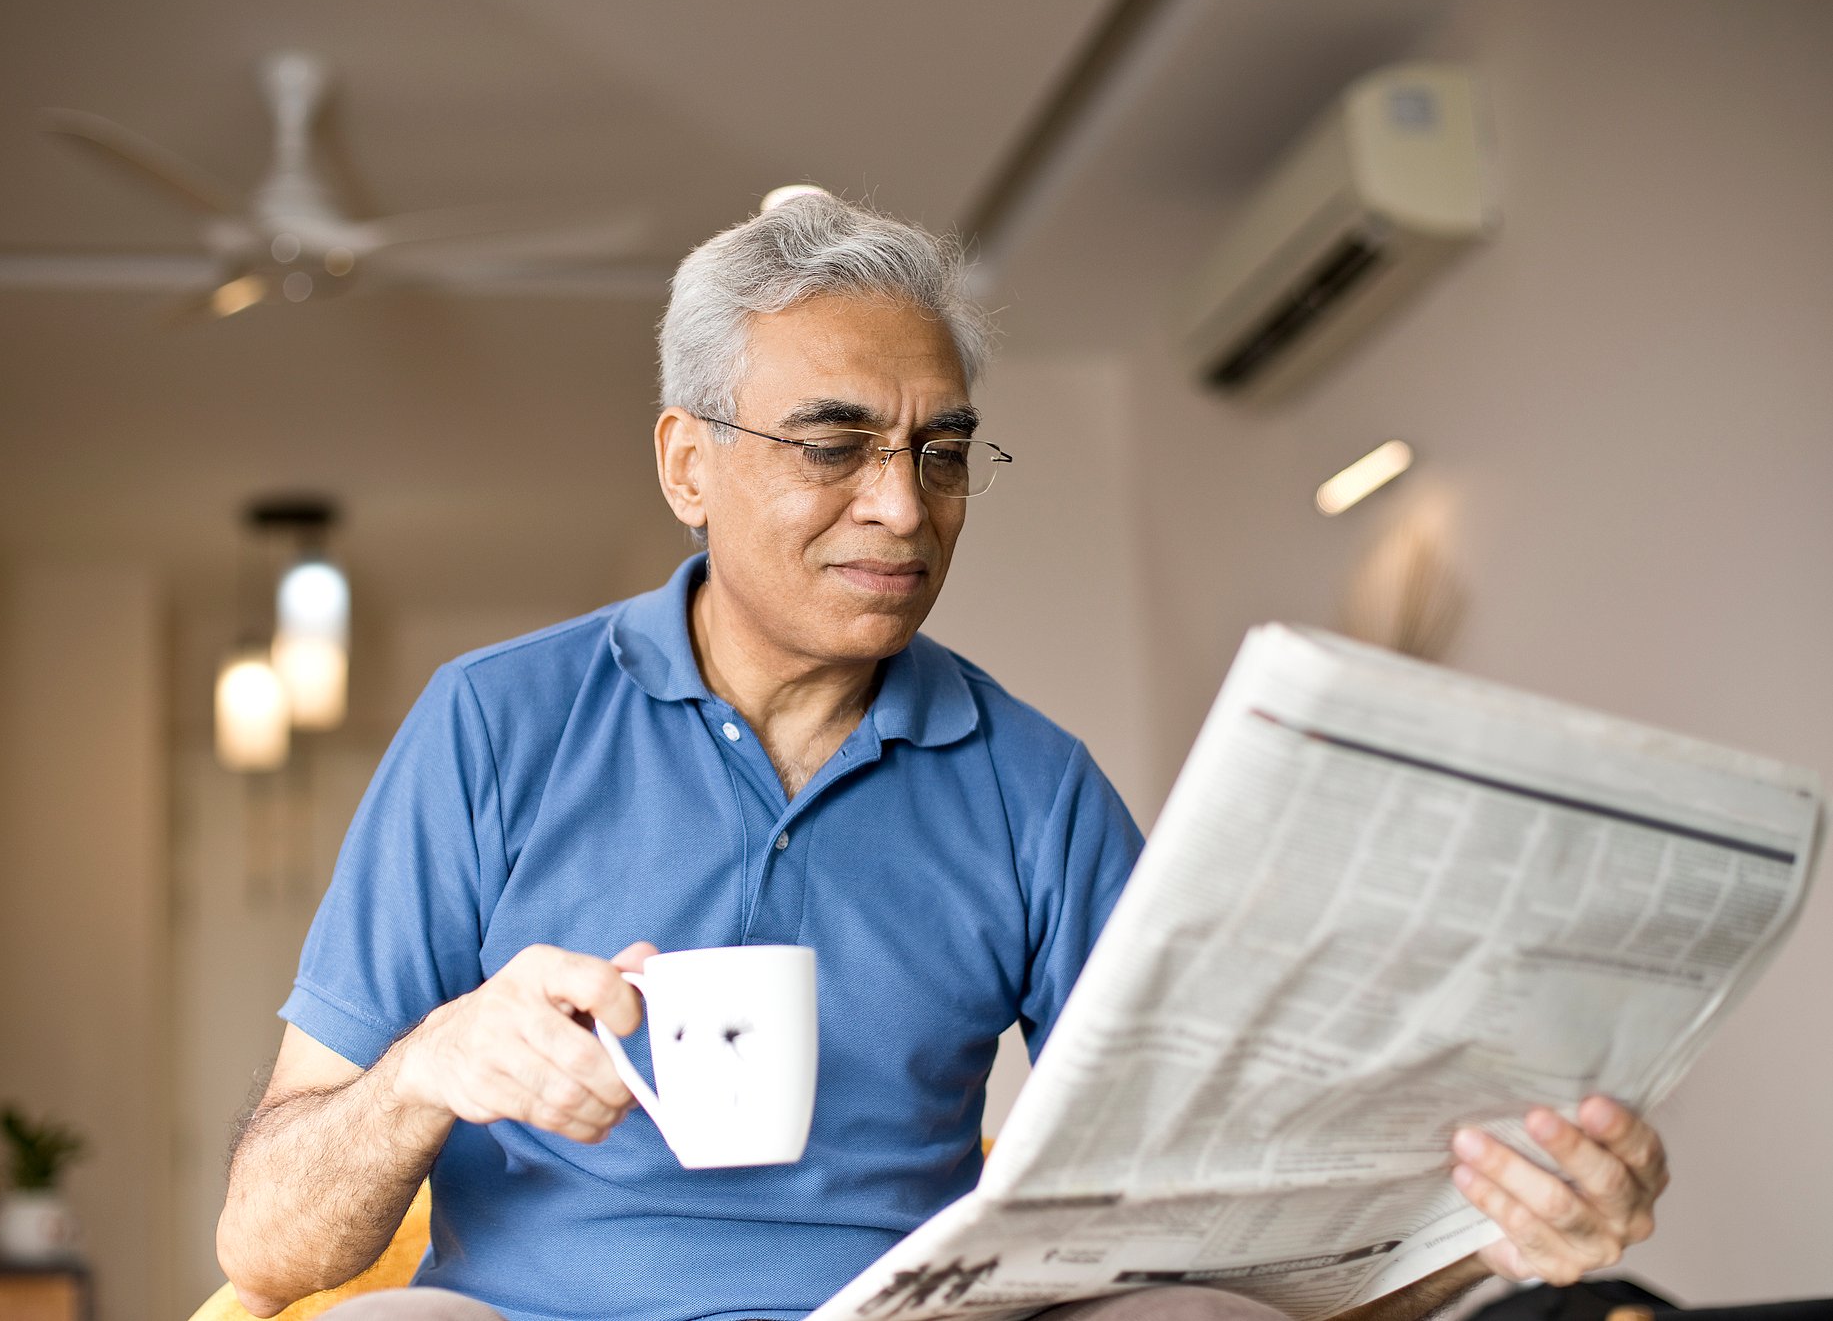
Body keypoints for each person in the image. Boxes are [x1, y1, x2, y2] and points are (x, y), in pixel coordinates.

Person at [216, 195, 1666, 1321]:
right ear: (686, 463)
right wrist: (428, 1065)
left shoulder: (1030, 785)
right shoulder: (494, 723)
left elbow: (1246, 1224)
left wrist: (1493, 1224)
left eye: (943, 452)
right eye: (834, 446)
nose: (903, 510)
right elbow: (264, 1241)